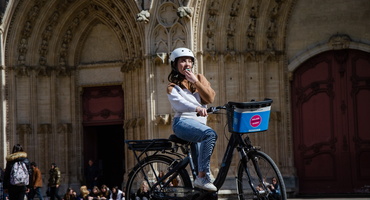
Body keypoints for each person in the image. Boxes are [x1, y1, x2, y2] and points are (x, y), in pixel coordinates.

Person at [167, 47, 217, 192]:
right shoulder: (172, 86)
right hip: (182, 123)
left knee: (204, 186)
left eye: (189, 61)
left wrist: (195, 81)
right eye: (182, 61)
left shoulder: (200, 79)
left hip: (198, 126)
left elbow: (210, 98)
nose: (187, 64)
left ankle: (200, 178)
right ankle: (203, 176)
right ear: (175, 65)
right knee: (210, 134)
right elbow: (180, 104)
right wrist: (197, 108)